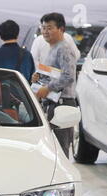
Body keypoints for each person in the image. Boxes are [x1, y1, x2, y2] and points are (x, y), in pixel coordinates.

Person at [32, 12, 77, 158]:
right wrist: (39, 79)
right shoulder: (53, 48)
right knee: (53, 149)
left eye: (49, 28)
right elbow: (54, 75)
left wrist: (48, 87)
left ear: (61, 29)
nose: (45, 31)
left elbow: (68, 76)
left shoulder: (63, 48)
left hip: (62, 105)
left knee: (61, 151)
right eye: (43, 28)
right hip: (54, 104)